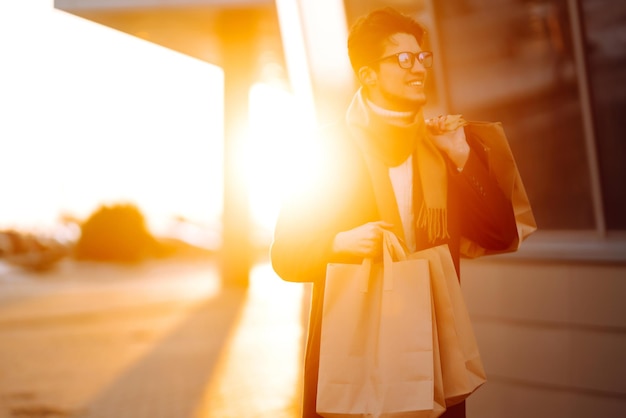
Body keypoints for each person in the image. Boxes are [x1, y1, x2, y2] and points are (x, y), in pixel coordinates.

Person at [271, 7, 521, 418]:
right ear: (369, 75)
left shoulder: (443, 147)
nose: (418, 68)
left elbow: (500, 233)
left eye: (422, 57)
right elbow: (285, 256)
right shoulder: (325, 151)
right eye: (403, 59)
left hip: (431, 357)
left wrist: (461, 156)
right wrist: (339, 243)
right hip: (352, 354)